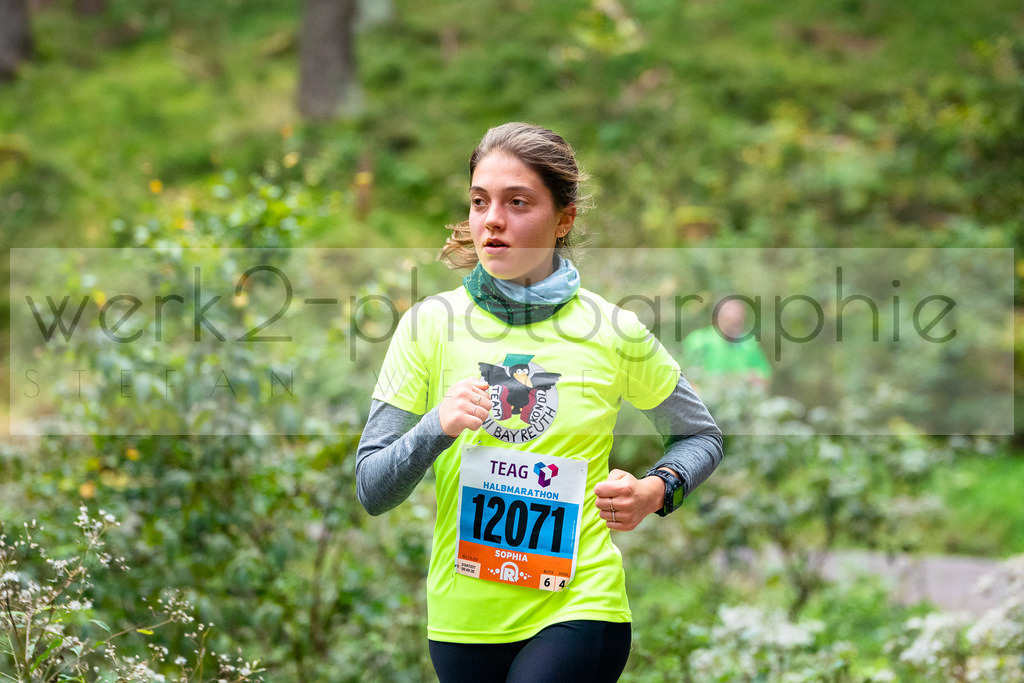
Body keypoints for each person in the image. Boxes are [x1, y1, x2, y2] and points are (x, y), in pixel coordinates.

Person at [356, 122, 723, 683]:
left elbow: (701, 435)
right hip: (464, 618)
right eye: (480, 202)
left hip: (578, 605)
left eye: (517, 202)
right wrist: (436, 425)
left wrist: (656, 489)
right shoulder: (429, 325)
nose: (492, 220)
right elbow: (372, 488)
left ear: (564, 218)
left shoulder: (612, 330)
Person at [683, 298, 771, 389]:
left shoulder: (748, 343)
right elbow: (688, 376)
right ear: (717, 319)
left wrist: (756, 379)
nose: (734, 326)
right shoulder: (699, 340)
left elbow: (765, 374)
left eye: (738, 322)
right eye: (729, 321)